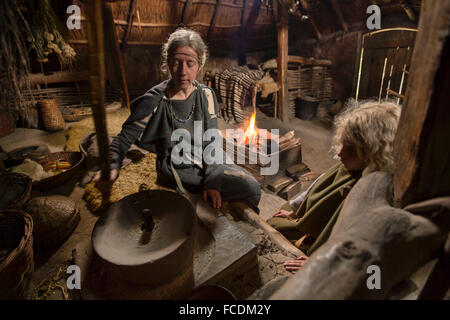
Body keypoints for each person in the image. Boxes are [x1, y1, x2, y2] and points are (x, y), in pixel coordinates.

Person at [94, 28, 261, 211]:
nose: (183, 71)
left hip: (207, 155)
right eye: (176, 63)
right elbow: (124, 138)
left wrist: (212, 180)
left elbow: (212, 141)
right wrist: (112, 165)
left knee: (252, 186)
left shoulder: (206, 95)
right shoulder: (155, 100)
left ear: (199, 66)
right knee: (248, 189)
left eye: (190, 63)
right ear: (168, 63)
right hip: (178, 163)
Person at [267, 101, 401, 273]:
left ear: (374, 152)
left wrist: (325, 263)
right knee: (276, 220)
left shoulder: (378, 193)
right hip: (321, 214)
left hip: (335, 241)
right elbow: (320, 183)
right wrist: (296, 210)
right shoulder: (349, 165)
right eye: (343, 142)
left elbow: (366, 247)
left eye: (351, 149)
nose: (340, 153)